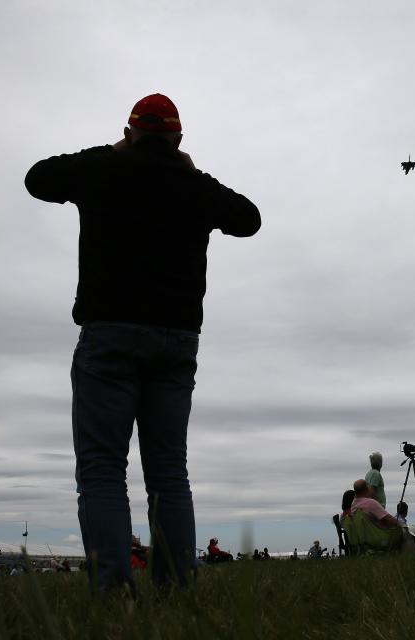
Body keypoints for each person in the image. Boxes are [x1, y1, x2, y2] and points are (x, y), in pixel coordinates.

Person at [25, 94, 261, 592]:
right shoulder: (192, 185)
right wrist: (192, 174)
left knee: (103, 468)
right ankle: (176, 589)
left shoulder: (104, 169)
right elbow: (248, 217)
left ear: (129, 132)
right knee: (169, 471)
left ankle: (112, 592)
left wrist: (113, 153)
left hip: (109, 333)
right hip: (177, 343)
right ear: (178, 138)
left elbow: (38, 177)